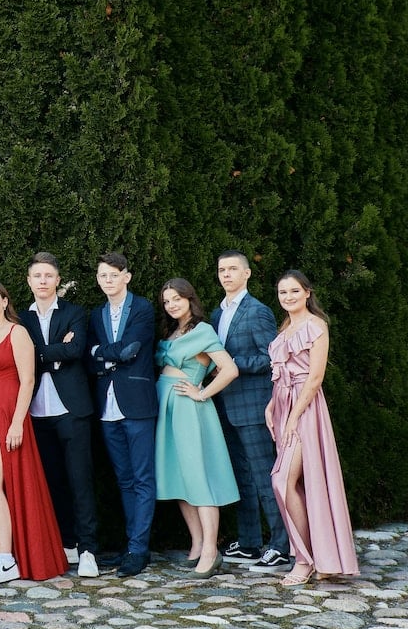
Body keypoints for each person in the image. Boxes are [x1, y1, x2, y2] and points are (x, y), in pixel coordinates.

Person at [0, 280, 66, 583]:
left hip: (6, 414)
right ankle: (1, 554)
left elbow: (28, 381)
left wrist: (18, 421)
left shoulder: (17, 333)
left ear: (5, 301)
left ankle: (7, 559)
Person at [267, 270, 359, 586]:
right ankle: (320, 559)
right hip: (282, 408)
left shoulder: (316, 326)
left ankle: (303, 560)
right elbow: (280, 375)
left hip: (305, 410)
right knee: (300, 484)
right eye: (283, 293)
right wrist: (271, 406)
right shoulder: (284, 329)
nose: (288, 297)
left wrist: (293, 416)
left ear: (307, 292)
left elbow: (315, 377)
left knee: (281, 480)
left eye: (294, 291)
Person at [19, 253, 100, 578]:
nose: (42, 281)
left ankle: (88, 549)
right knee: (51, 483)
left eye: (48, 276)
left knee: (80, 481)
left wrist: (39, 352)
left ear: (57, 280)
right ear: (29, 281)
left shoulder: (74, 312)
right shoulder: (21, 319)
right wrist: (55, 351)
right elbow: (24, 356)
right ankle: (63, 544)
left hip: (72, 409)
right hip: (36, 413)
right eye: (36, 276)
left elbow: (75, 349)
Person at [154, 278, 241, 579]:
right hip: (165, 404)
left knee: (198, 478)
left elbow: (229, 369)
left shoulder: (203, 330)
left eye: (177, 298)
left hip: (189, 408)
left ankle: (211, 551)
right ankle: (197, 543)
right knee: (178, 478)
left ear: (190, 298)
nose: (172, 304)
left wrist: (201, 392)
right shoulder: (173, 330)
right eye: (167, 301)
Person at [211, 251, 291, 572]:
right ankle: (248, 542)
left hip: (252, 405)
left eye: (233, 269)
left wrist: (231, 366)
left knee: (263, 476)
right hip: (225, 406)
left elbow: (269, 358)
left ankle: (280, 545)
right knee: (240, 477)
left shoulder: (257, 311)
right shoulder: (218, 314)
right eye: (222, 270)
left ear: (246, 274)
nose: (226, 274)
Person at [87, 252, 157, 577]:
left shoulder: (141, 308)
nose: (108, 281)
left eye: (114, 275)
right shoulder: (97, 314)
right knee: (124, 479)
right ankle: (131, 545)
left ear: (126, 276)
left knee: (143, 479)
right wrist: (102, 355)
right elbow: (89, 361)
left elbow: (131, 350)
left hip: (138, 404)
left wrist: (101, 352)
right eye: (103, 276)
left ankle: (139, 550)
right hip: (108, 406)